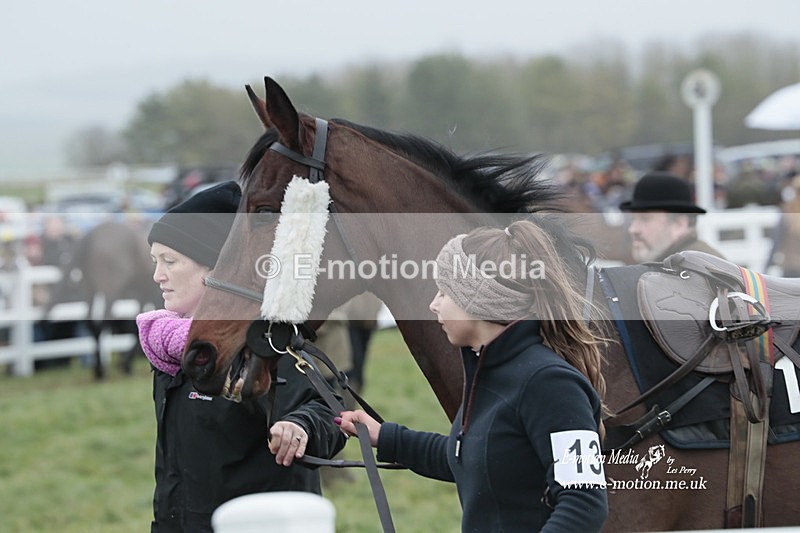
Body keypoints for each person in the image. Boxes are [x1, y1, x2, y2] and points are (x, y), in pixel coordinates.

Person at [337, 220, 609, 532]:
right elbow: (471, 458)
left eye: (445, 292)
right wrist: (385, 436)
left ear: (478, 300)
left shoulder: (551, 384)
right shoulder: (489, 370)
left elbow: (585, 503)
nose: (433, 304)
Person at [136, 181, 346, 533]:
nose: (158, 275)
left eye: (170, 261)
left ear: (215, 270)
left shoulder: (261, 341)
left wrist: (300, 426)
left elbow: (327, 410)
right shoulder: (168, 345)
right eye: (155, 261)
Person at [620, 172, 724, 263]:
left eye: (645, 219)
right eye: (633, 219)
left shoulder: (694, 269)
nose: (633, 230)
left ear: (679, 224)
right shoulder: (675, 263)